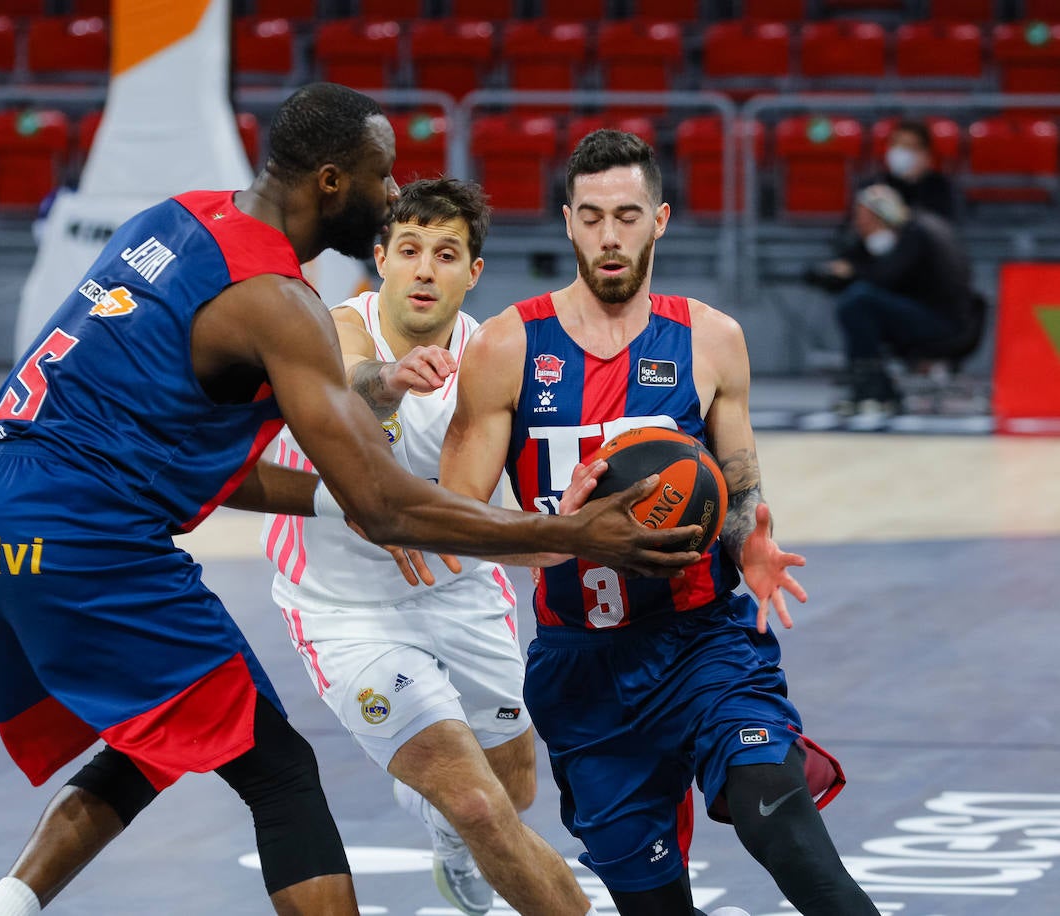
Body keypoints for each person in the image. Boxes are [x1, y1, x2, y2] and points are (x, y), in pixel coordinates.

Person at [0, 84, 702, 916]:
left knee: (156, 739)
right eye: (382, 174)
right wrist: (574, 534)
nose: (394, 192)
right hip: (76, 529)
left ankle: (3, 908)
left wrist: (348, 480)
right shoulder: (280, 300)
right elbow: (387, 507)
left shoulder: (175, 219)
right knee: (281, 774)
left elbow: (203, 462)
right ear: (332, 181)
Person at [437, 128, 878, 916]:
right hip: (582, 669)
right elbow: (454, 517)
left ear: (661, 219)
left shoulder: (712, 340)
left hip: (703, 642)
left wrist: (751, 545)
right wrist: (557, 531)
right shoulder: (506, 347)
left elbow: (737, 488)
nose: (611, 236)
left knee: (782, 824)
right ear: (567, 221)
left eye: (629, 215)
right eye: (594, 215)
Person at [260, 177, 593, 916]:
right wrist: (391, 381)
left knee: (514, 788)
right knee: (478, 803)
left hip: (457, 589)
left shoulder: (493, 355)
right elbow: (350, 386)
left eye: (446, 254)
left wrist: (554, 533)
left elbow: (477, 515)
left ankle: (445, 835)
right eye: (408, 249)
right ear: (380, 258)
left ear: (473, 272)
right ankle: (460, 825)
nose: (423, 269)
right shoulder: (331, 325)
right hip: (345, 611)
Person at [817, 184, 976, 415]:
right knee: (861, 300)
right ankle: (872, 385)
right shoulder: (920, 228)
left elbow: (883, 278)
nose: (859, 227)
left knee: (858, 301)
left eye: (866, 220)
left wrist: (851, 271)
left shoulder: (917, 234)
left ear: (884, 216)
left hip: (944, 323)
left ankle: (873, 389)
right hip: (948, 317)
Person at [872, 119, 956, 223]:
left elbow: (944, 230)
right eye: (895, 145)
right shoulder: (876, 184)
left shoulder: (941, 187)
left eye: (908, 146)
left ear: (925, 155)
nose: (900, 152)